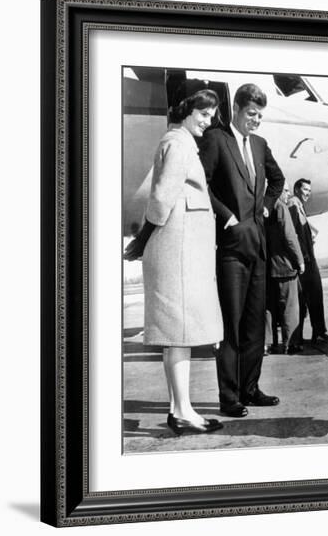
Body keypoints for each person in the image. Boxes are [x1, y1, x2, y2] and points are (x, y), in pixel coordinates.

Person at [124, 89, 224, 435]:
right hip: (176, 253)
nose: (208, 122)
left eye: (211, 116)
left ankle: (180, 408)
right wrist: (143, 238)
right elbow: (162, 195)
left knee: (177, 336)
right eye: (204, 114)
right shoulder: (179, 145)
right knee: (179, 335)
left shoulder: (180, 142)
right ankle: (182, 411)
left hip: (178, 251)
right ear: (188, 111)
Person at [200, 83, 285, 418]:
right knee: (232, 326)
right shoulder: (216, 139)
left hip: (259, 247)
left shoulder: (261, 145)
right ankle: (229, 396)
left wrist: (265, 205)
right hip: (232, 248)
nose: (256, 120)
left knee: (254, 325)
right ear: (236, 108)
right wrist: (227, 216)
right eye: (252, 113)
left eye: (260, 115)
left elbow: (276, 180)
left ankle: (250, 388)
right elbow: (200, 182)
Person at [288, 178, 328, 347]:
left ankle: (316, 333)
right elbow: (293, 233)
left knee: (310, 296)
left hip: (306, 257)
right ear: (297, 189)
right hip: (305, 260)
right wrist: (303, 257)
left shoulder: (298, 205)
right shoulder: (293, 204)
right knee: (313, 295)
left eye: (309, 190)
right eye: (305, 189)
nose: (308, 193)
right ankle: (316, 334)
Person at [265, 184, 305, 354]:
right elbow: (289, 237)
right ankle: (291, 343)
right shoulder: (281, 207)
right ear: (278, 191)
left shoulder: (263, 207)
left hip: (268, 267)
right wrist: (300, 260)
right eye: (286, 190)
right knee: (290, 307)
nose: (288, 194)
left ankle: (266, 344)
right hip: (285, 267)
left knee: (269, 309)